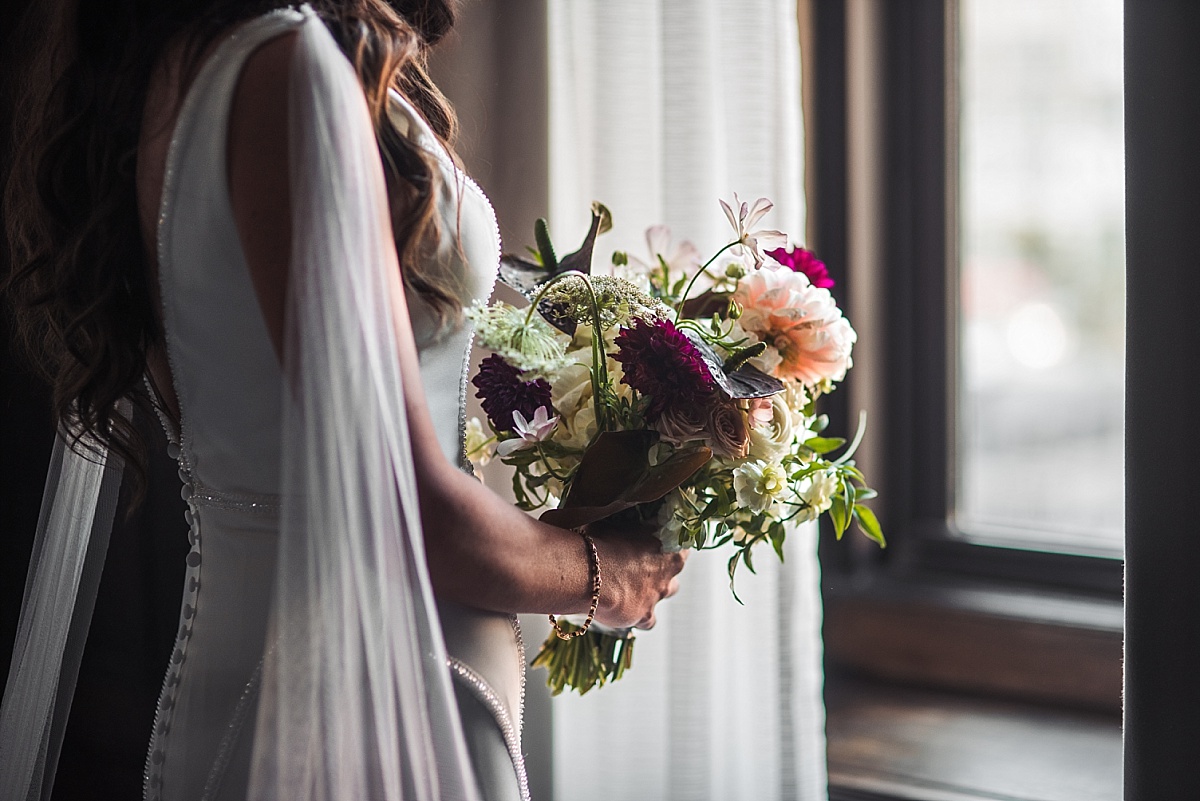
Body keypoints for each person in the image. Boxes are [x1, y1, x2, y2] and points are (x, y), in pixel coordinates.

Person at [0, 2, 687, 800]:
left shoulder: (196, 62)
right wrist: (607, 574)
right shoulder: (285, 72)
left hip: (307, 680)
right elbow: (405, 514)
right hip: (362, 704)